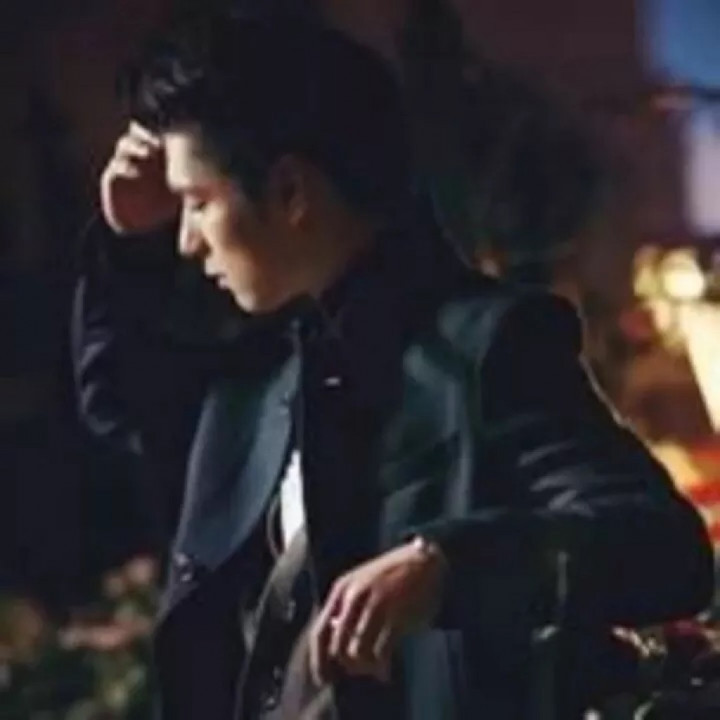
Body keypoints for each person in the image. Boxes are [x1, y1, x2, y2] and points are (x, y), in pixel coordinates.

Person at [72, 12, 714, 720]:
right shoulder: (260, 367)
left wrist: (447, 563)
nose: (188, 241)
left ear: (290, 193)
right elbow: (123, 407)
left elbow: (666, 551)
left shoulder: (484, 348)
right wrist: (128, 245)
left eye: (197, 203)